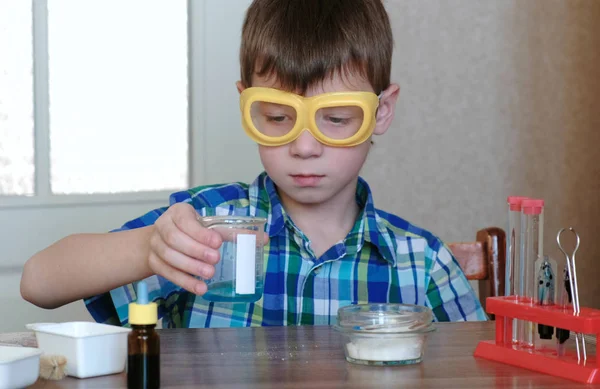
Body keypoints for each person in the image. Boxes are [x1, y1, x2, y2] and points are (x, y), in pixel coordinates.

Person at [20, 0, 486, 328]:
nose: (304, 146)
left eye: (337, 119)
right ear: (248, 105)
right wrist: (149, 249)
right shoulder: (205, 228)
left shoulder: (422, 263)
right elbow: (38, 281)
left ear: (381, 112)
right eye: (278, 117)